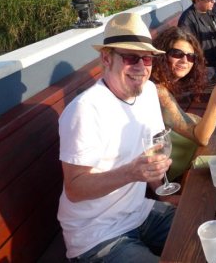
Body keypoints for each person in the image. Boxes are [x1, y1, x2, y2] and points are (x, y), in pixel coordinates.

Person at [57, 13, 176, 261]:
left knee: (204, 227)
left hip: (139, 212)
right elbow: (75, 188)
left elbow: (152, 154)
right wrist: (131, 172)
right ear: (106, 58)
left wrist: (166, 193)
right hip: (96, 235)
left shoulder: (148, 92)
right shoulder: (85, 110)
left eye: (147, 58)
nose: (141, 68)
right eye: (131, 58)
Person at [150, 26, 216, 180]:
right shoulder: (157, 91)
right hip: (175, 169)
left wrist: (192, 118)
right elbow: (201, 137)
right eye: (177, 54)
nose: (185, 61)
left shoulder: (159, 84)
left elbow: (171, 118)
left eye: (190, 57)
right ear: (162, 55)